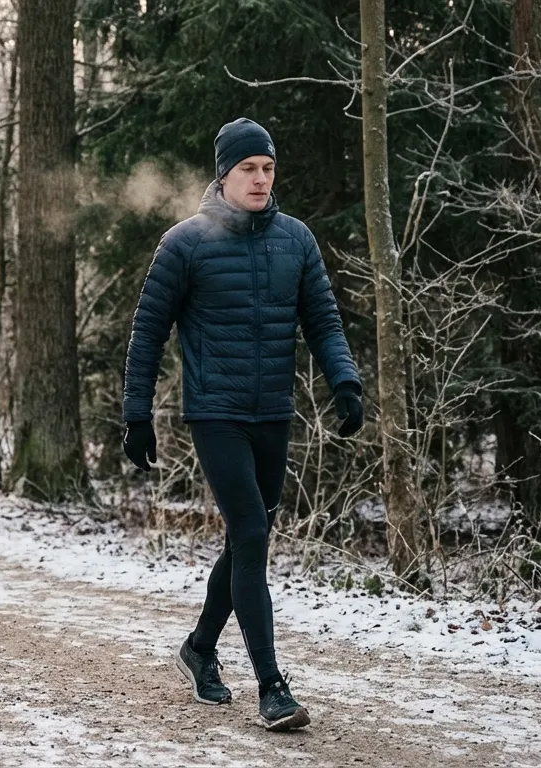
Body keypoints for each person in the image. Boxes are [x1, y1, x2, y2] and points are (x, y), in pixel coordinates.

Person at [121, 118, 364, 732]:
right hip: (215, 412)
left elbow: (324, 323)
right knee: (252, 532)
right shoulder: (184, 244)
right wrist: (136, 413)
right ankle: (272, 687)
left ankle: (200, 647)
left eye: (268, 168)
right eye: (248, 168)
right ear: (224, 174)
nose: (261, 179)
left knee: (247, 540)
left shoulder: (297, 241)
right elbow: (147, 334)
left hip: (273, 412)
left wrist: (346, 383)